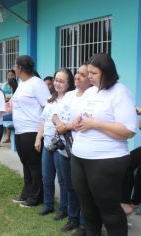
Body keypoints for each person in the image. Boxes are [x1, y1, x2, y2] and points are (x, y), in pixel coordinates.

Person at [70, 53, 137, 236]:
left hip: (106, 159)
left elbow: (129, 130)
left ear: (106, 72)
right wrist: (78, 121)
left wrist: (96, 124)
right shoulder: (91, 92)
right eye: (88, 72)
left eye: (93, 73)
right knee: (88, 208)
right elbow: (86, 116)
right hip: (80, 156)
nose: (89, 76)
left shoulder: (120, 92)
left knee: (109, 210)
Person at [52, 63, 91, 235]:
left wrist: (65, 127)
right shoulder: (68, 95)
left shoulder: (91, 96)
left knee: (82, 188)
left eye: (82, 74)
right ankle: (72, 218)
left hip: (81, 150)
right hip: (64, 148)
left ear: (90, 78)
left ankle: (84, 223)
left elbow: (83, 121)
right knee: (69, 186)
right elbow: (54, 114)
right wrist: (60, 124)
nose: (77, 77)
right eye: (77, 74)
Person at [11, 55, 50, 207]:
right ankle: (27, 193)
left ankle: (36, 196)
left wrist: (40, 135)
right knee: (25, 163)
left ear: (20, 68)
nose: (14, 68)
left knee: (34, 165)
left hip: (32, 129)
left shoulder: (37, 83)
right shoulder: (22, 83)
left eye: (15, 66)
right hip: (20, 130)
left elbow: (47, 107)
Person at [35, 68, 74, 221]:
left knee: (63, 180)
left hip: (61, 146)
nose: (57, 83)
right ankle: (48, 204)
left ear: (69, 83)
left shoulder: (71, 101)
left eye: (62, 81)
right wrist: (38, 138)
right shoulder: (49, 100)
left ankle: (63, 209)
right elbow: (43, 120)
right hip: (47, 144)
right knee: (46, 177)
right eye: (56, 80)